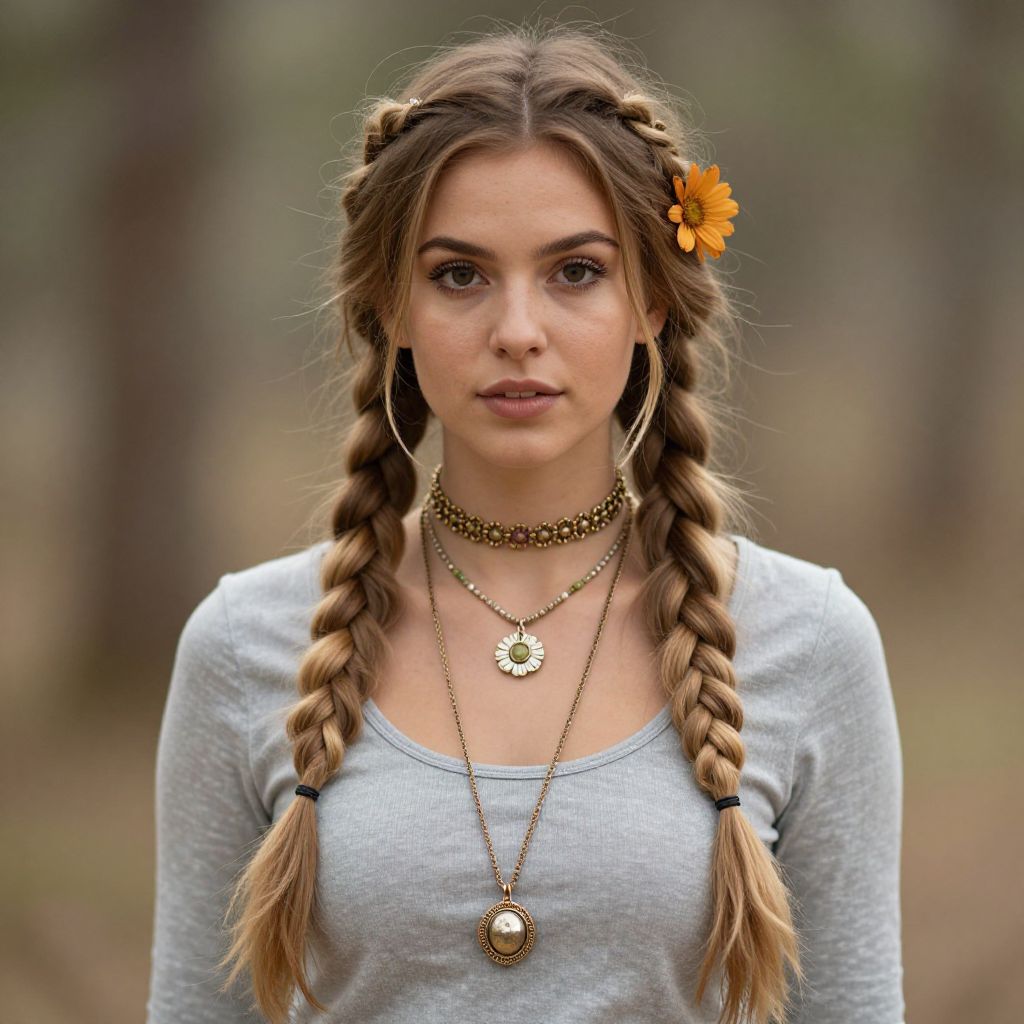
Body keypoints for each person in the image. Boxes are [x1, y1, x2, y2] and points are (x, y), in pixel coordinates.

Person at [145, 21, 904, 1024]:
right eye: (459, 273)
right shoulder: (247, 644)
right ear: (392, 303)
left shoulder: (806, 641)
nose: (516, 331)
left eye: (574, 271)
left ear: (652, 303)